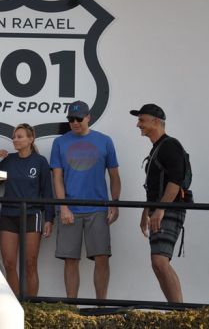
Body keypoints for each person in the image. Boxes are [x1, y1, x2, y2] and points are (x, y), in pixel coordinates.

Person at [50, 100, 121, 300]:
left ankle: (102, 306)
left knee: (101, 258)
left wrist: (115, 203)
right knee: (70, 260)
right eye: (71, 119)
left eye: (78, 118)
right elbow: (57, 177)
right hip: (70, 209)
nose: (74, 122)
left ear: (88, 117)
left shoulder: (105, 141)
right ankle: (72, 310)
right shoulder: (60, 142)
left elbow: (114, 175)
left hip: (98, 208)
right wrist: (63, 207)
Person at [0, 123, 54, 297]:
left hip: (32, 215)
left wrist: (49, 218)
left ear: (31, 139)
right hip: (9, 215)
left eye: (19, 136)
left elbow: (48, 191)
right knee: (9, 264)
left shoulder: (40, 162)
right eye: (14, 137)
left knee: (30, 263)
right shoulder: (9, 160)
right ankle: (15, 306)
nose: (15, 140)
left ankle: (31, 308)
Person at [131, 103, 187, 302]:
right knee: (158, 263)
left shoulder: (170, 145)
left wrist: (161, 209)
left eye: (142, 120)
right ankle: (175, 310)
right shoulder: (158, 147)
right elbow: (154, 186)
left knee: (160, 261)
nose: (138, 124)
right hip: (161, 209)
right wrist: (146, 211)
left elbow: (175, 180)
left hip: (170, 208)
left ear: (156, 121)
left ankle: (179, 313)